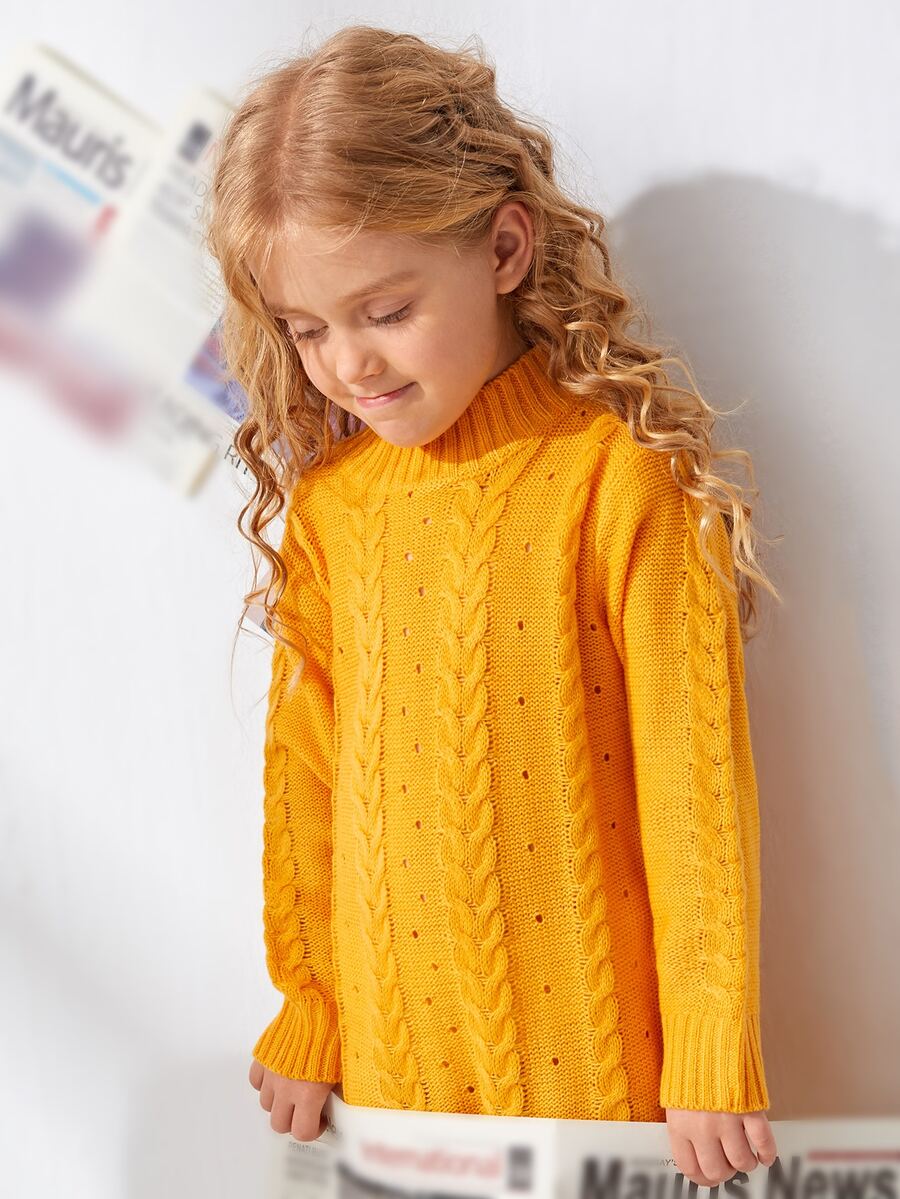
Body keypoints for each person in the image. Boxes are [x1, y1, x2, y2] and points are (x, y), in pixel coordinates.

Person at [204, 24, 782, 1187]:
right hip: (389, 1087)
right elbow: (308, 777)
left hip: (598, 1090)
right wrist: (311, 1005)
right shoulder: (334, 508)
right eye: (307, 330)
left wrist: (711, 1041)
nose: (347, 365)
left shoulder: (622, 482)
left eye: (384, 309)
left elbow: (694, 788)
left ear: (506, 247)